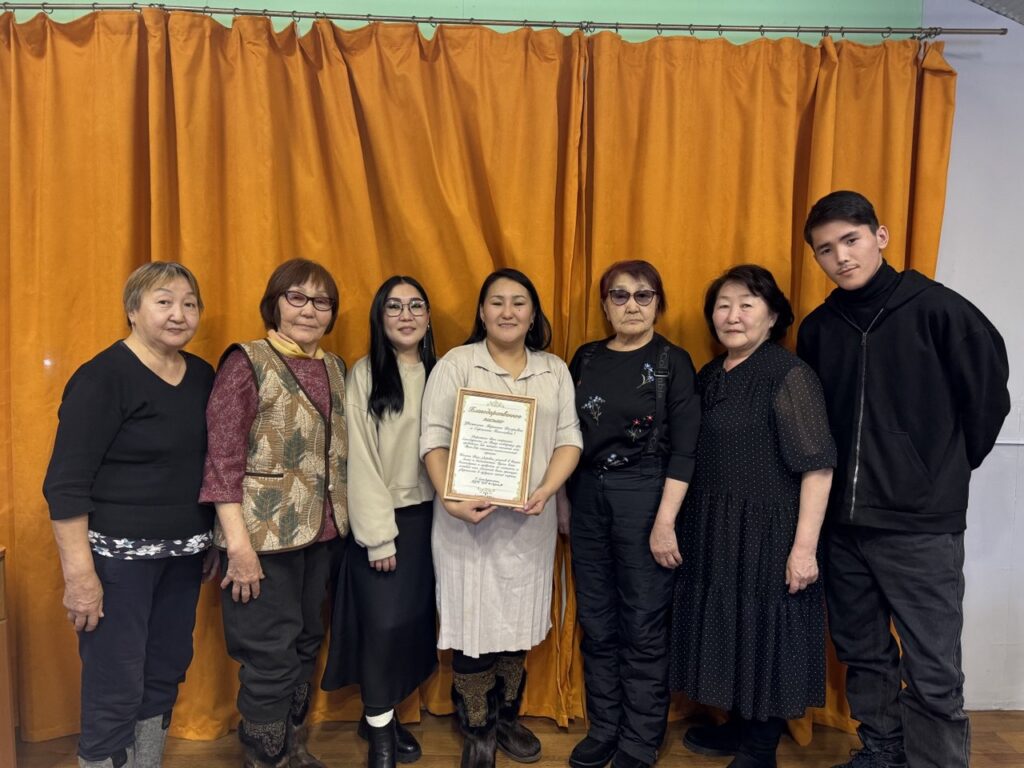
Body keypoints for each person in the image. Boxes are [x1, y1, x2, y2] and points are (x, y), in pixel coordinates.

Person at [797, 191, 1010, 768]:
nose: (841, 257)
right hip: (843, 526)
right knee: (863, 653)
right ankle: (883, 752)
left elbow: (988, 401)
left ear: (881, 236)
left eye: (851, 240)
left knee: (933, 666)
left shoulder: (941, 310)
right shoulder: (819, 329)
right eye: (826, 249)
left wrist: (936, 473)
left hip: (920, 527)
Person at [43, 262, 216, 768]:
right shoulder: (102, 378)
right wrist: (80, 577)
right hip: (116, 566)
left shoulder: (202, 375)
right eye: (164, 301)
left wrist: (208, 537)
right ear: (133, 311)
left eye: (189, 303)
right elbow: (65, 485)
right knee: (114, 683)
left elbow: (207, 466)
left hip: (184, 560)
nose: (179, 314)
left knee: (164, 672)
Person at [668, 265, 836, 768]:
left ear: (773, 316)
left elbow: (818, 468)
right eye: (723, 306)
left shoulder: (789, 375)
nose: (732, 315)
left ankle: (761, 747)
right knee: (733, 628)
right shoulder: (710, 374)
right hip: (715, 526)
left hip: (770, 531)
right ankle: (739, 726)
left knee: (767, 632)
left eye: (746, 304)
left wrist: (803, 550)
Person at [420, 268, 582, 768]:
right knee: (473, 622)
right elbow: (433, 438)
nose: (507, 312)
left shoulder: (553, 369)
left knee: (516, 620)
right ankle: (477, 726)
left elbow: (569, 439)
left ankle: (506, 715)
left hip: (530, 523)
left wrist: (547, 490)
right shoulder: (457, 364)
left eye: (518, 302)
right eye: (497, 302)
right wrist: (450, 499)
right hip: (466, 525)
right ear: (482, 311)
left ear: (533, 314)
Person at [200, 258, 348, 768]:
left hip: (320, 535)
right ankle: (266, 757)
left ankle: (291, 746)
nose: (309, 310)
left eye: (321, 301)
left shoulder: (335, 367)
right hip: (260, 542)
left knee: (306, 643)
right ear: (275, 304)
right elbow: (221, 461)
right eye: (296, 297)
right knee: (269, 655)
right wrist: (238, 548)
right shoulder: (247, 362)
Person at [559, 260, 700, 768]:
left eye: (643, 295)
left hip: (646, 495)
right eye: (619, 295)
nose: (632, 305)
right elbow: (563, 435)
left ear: (659, 303)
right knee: (597, 620)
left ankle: (640, 739)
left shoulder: (672, 361)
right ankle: (604, 728)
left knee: (642, 623)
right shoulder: (586, 357)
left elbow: (685, 451)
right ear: (605, 304)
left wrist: (665, 523)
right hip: (586, 495)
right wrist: (563, 502)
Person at [322, 276, 438, 768]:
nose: (406, 315)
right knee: (382, 628)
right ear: (379, 316)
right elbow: (362, 462)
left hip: (436, 520)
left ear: (428, 317)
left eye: (416, 306)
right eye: (394, 307)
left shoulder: (445, 372)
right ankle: (381, 734)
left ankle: (382, 717)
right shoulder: (366, 374)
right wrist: (377, 538)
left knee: (413, 625)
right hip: (386, 522)